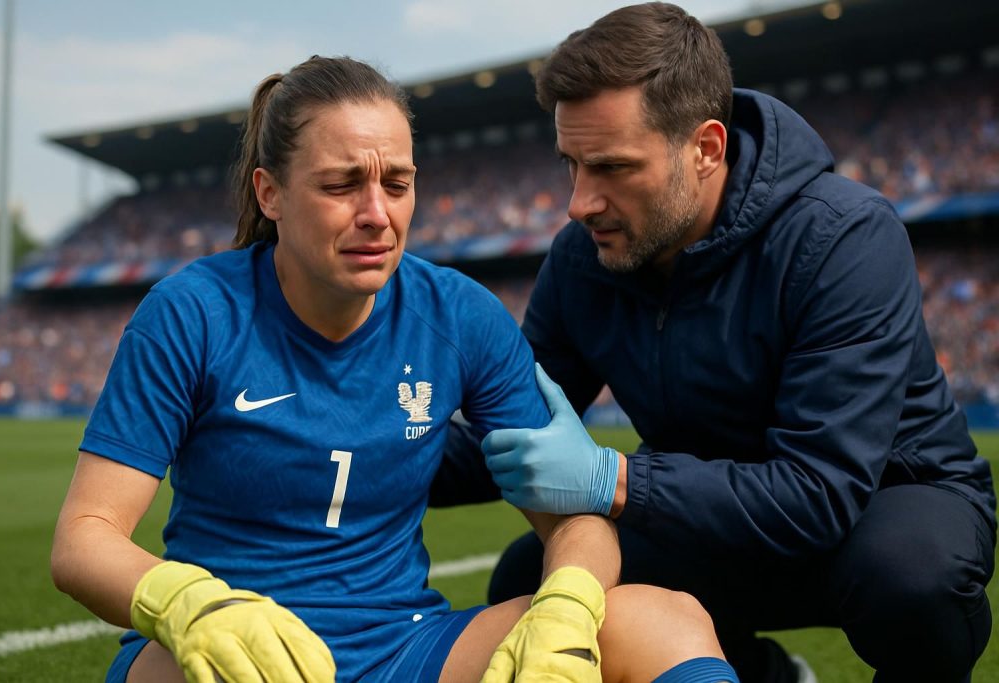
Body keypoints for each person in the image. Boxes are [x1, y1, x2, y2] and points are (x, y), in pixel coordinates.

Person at [50, 54, 740, 683]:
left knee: (664, 619)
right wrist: (190, 604)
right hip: (229, 648)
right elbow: (84, 537)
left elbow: (573, 523)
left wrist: (568, 604)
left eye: (397, 183)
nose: (377, 214)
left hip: (405, 646)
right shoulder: (192, 312)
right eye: (341, 184)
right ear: (270, 193)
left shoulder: (460, 314)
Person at [430, 4, 997, 682]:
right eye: (571, 165)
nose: (579, 203)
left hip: (875, 508)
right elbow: (510, 429)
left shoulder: (842, 236)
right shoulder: (582, 260)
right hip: (709, 515)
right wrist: (356, 450)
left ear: (705, 148)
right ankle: (767, 674)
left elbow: (818, 492)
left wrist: (615, 479)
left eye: (611, 167)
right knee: (530, 580)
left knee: (912, 576)